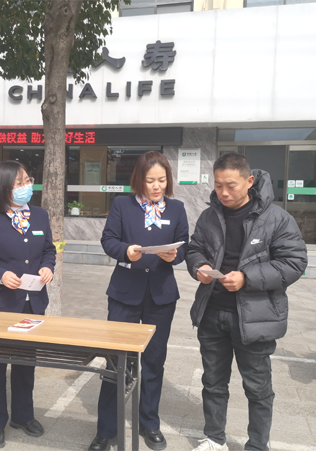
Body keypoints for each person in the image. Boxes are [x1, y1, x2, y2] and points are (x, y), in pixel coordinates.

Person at [185, 153, 307, 451]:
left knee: (258, 387)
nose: (224, 192)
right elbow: (194, 248)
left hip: (254, 318)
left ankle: (257, 445)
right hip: (212, 312)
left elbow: (294, 263)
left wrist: (247, 278)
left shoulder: (276, 218)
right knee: (213, 383)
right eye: (218, 185)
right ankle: (214, 439)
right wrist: (198, 266)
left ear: (249, 181)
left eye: (231, 185)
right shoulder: (209, 216)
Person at [88, 151, 189, 451]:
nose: (157, 186)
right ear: (139, 180)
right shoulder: (123, 205)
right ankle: (106, 430)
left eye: (162, 180)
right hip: (125, 294)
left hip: (161, 296)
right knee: (116, 361)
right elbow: (108, 240)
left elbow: (185, 244)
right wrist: (125, 251)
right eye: (150, 180)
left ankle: (149, 423)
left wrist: (175, 255)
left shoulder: (177, 208)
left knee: (154, 362)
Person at [0, 161, 56, 449]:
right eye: (19, 183)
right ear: (2, 187)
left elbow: (48, 250)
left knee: (26, 364)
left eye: (27, 180)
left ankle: (23, 416)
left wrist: (48, 267)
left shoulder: (40, 215)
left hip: (32, 304)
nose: (26, 187)